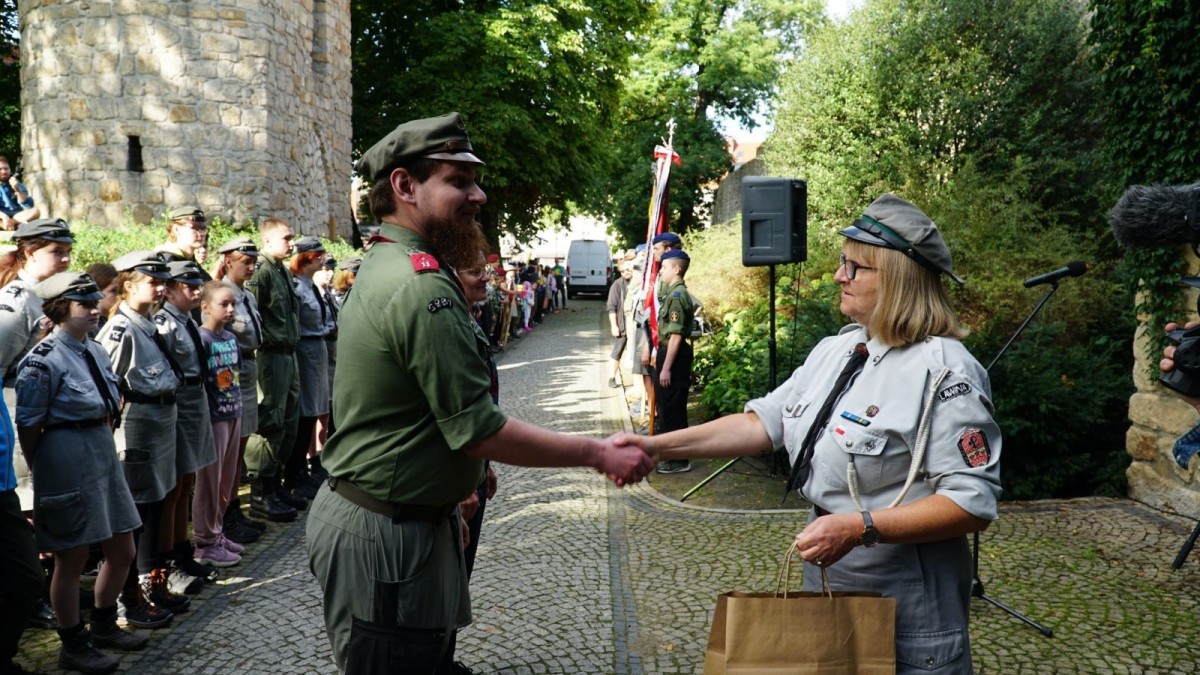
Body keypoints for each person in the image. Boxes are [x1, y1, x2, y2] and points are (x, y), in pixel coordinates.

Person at [305, 112, 653, 674]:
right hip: (390, 537)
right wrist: (596, 452)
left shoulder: (401, 265)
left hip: (404, 524)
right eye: (459, 181)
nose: (478, 195)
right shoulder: (420, 287)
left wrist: (460, 482)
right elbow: (477, 428)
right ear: (404, 185)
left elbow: (419, 411)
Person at [618, 193, 1002, 674]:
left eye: (855, 267)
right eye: (843, 262)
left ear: (900, 278)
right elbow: (762, 423)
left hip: (908, 601)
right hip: (828, 571)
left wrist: (858, 527)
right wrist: (655, 446)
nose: (839, 275)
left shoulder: (945, 371)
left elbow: (972, 502)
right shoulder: (837, 351)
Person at [14, 272, 145, 674]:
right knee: (71, 556)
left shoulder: (94, 350)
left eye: (95, 302)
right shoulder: (42, 359)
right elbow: (29, 425)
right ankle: (73, 642)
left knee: (123, 549)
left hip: (101, 449)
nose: (95, 309)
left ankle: (105, 623)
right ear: (59, 309)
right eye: (84, 305)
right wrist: (45, 471)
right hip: (65, 452)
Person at [97, 252, 183, 630]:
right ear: (129, 284)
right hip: (138, 423)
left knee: (159, 500)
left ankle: (154, 582)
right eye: (153, 281)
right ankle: (130, 596)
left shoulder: (147, 323)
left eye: (164, 281)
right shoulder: (121, 329)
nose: (162, 287)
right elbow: (106, 383)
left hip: (161, 418)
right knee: (140, 508)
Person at [244, 217, 302, 522]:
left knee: (288, 418)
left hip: (287, 355)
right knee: (269, 419)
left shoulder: (281, 270)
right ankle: (259, 492)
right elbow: (254, 314)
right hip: (270, 355)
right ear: (267, 241)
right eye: (286, 238)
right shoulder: (263, 271)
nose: (291, 244)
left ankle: (274, 483)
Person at [212, 238, 266, 542]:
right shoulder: (223, 293)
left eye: (253, 261)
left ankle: (233, 509)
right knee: (230, 447)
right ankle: (225, 514)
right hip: (230, 369)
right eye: (245, 261)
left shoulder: (245, 295)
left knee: (241, 443)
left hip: (247, 366)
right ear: (228, 261)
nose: (251, 266)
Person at [194, 280, 246, 568]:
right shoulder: (202, 339)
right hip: (214, 416)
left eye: (233, 304)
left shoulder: (229, 338)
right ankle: (204, 541)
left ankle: (217, 532)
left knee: (226, 479)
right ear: (205, 308)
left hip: (233, 410)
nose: (229, 309)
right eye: (223, 304)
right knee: (210, 481)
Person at [284, 236, 332, 500]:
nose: (321, 260)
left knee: (314, 411)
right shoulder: (297, 287)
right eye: (317, 256)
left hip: (317, 348)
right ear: (305, 258)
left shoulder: (309, 286)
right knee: (305, 413)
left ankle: (302, 470)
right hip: (305, 350)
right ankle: (296, 472)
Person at [0, 219, 75, 384]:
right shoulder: (17, 300)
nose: (66, 259)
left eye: (68, 251)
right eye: (57, 252)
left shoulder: (51, 292)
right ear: (30, 253)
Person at [651, 249, 695, 474]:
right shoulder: (672, 293)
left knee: (673, 410)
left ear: (677, 269)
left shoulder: (677, 296)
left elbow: (676, 335)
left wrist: (666, 368)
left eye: (665, 267)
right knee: (667, 408)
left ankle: (678, 460)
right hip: (669, 353)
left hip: (674, 356)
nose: (661, 271)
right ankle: (672, 456)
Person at [606, 261, 632, 389]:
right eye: (622, 271)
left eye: (628, 269)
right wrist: (614, 325)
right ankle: (612, 377)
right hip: (622, 325)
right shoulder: (617, 285)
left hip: (634, 325)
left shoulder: (638, 282)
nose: (625, 273)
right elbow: (611, 307)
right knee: (617, 352)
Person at [0, 158, 40, 230]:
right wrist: (3, 216)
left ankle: (11, 224)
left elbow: (28, 205)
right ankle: (15, 225)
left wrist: (17, 189)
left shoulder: (16, 183)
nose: (4, 171)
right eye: (0, 169)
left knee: (35, 211)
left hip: (16, 216)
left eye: (6, 169)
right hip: (1, 216)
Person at [85, 263, 119, 336]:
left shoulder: (114, 321)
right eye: (114, 291)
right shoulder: (89, 327)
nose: (119, 296)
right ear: (97, 292)